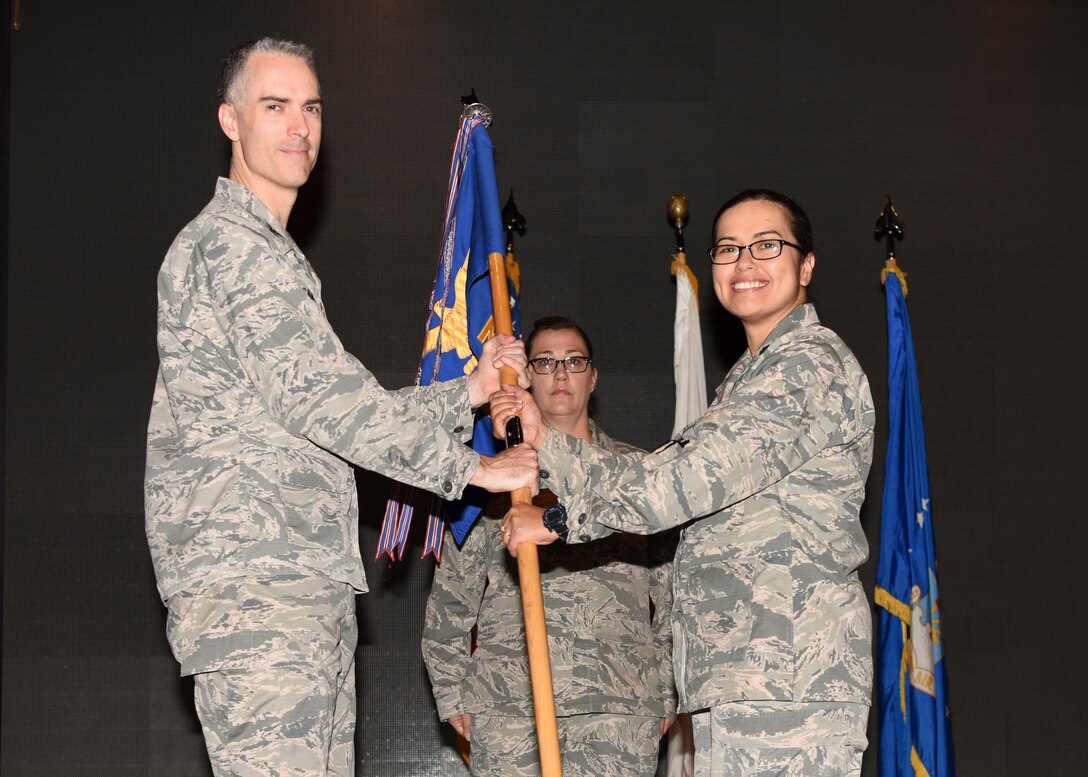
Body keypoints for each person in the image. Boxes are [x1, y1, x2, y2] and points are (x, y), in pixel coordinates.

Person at [144, 37, 536, 777]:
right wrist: (473, 470)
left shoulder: (270, 253)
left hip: (296, 585)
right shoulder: (232, 246)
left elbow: (320, 413)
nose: (300, 125)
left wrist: (471, 391)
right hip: (258, 590)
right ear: (230, 120)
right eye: (275, 105)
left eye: (311, 107)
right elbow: (326, 401)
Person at [494, 190, 875, 777]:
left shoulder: (808, 366)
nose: (744, 263)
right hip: (742, 674)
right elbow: (674, 485)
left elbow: (676, 486)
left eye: (766, 245)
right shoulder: (749, 378)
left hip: (787, 676)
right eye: (727, 249)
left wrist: (556, 510)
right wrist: (548, 454)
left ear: (806, 266)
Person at [422, 317, 677, 776]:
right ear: (524, 377)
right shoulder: (490, 478)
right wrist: (453, 694)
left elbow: (674, 597)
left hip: (618, 708)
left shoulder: (638, 475)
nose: (560, 374)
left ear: (593, 377)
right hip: (509, 708)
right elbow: (449, 602)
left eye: (574, 361)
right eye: (545, 362)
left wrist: (665, 693)